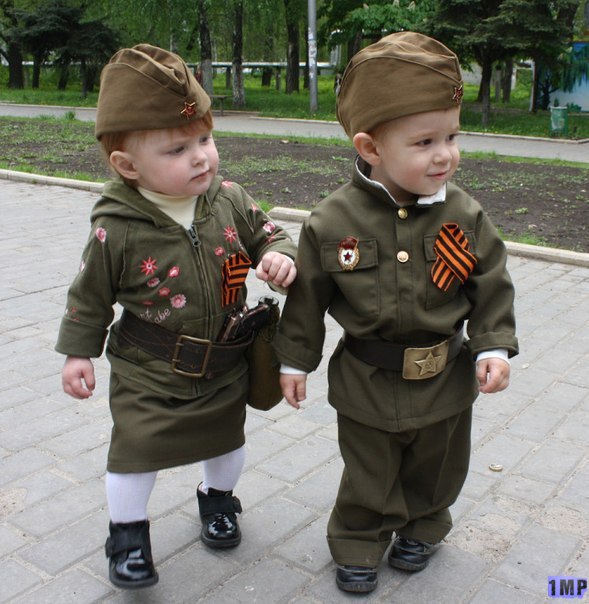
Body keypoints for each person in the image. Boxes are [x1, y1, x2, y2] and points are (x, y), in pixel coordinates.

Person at [274, 32, 518, 594]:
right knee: (369, 472)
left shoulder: (464, 214)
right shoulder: (331, 220)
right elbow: (308, 297)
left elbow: (491, 283)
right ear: (370, 147)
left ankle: (423, 527)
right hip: (367, 381)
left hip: (446, 377)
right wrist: (294, 362)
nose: (445, 154)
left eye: (452, 136)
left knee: (438, 466)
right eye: (425, 141)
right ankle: (358, 541)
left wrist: (493, 345)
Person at [56, 43, 297, 590]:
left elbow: (270, 234)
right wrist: (77, 353)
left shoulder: (229, 199)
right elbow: (89, 295)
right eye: (178, 149)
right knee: (135, 455)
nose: (201, 158)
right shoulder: (117, 227)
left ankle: (218, 501)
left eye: (205, 139)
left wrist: (280, 256)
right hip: (149, 369)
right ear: (127, 165)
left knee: (228, 444)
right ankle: (127, 538)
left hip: (225, 363)